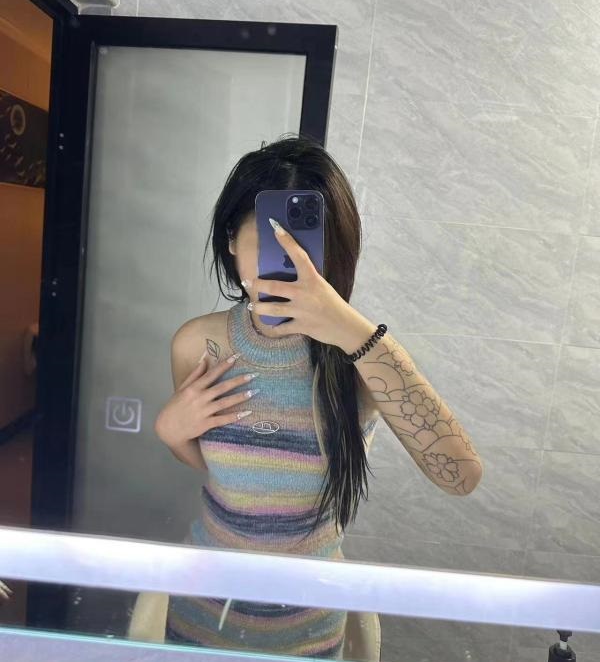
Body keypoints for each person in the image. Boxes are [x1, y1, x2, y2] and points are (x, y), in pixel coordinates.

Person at [154, 134, 484, 659]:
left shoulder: (361, 358)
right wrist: (171, 434)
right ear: (231, 240)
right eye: (272, 241)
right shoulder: (197, 344)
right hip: (203, 614)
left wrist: (353, 333)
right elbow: (225, 469)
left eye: (306, 245)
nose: (291, 262)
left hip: (308, 629)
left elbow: (461, 475)